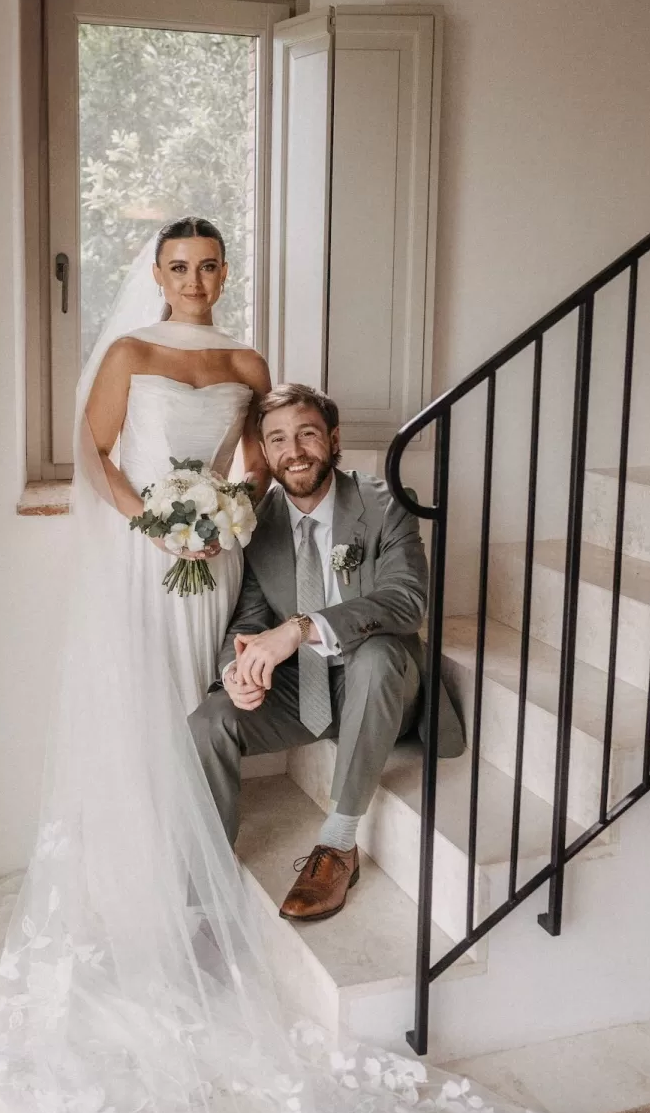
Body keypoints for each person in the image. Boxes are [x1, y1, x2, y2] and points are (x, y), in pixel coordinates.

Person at [0, 219, 650, 1113]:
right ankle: (177, 869)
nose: (195, 277)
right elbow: (105, 457)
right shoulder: (138, 363)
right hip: (163, 557)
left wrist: (238, 550)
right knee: (188, 706)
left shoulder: (356, 481)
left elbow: (359, 565)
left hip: (304, 619)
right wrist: (171, 532)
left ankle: (335, 842)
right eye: (179, 265)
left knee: (371, 652)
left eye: (210, 264)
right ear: (156, 274)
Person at [190, 383, 464, 924]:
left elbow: (406, 601)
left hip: (385, 685)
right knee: (210, 721)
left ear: (333, 439)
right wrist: (236, 667)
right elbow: (249, 616)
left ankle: (338, 845)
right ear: (265, 454)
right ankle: (208, 869)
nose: (295, 450)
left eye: (308, 434)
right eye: (279, 440)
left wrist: (299, 628)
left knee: (379, 655)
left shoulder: (386, 505)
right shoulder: (257, 523)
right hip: (304, 690)